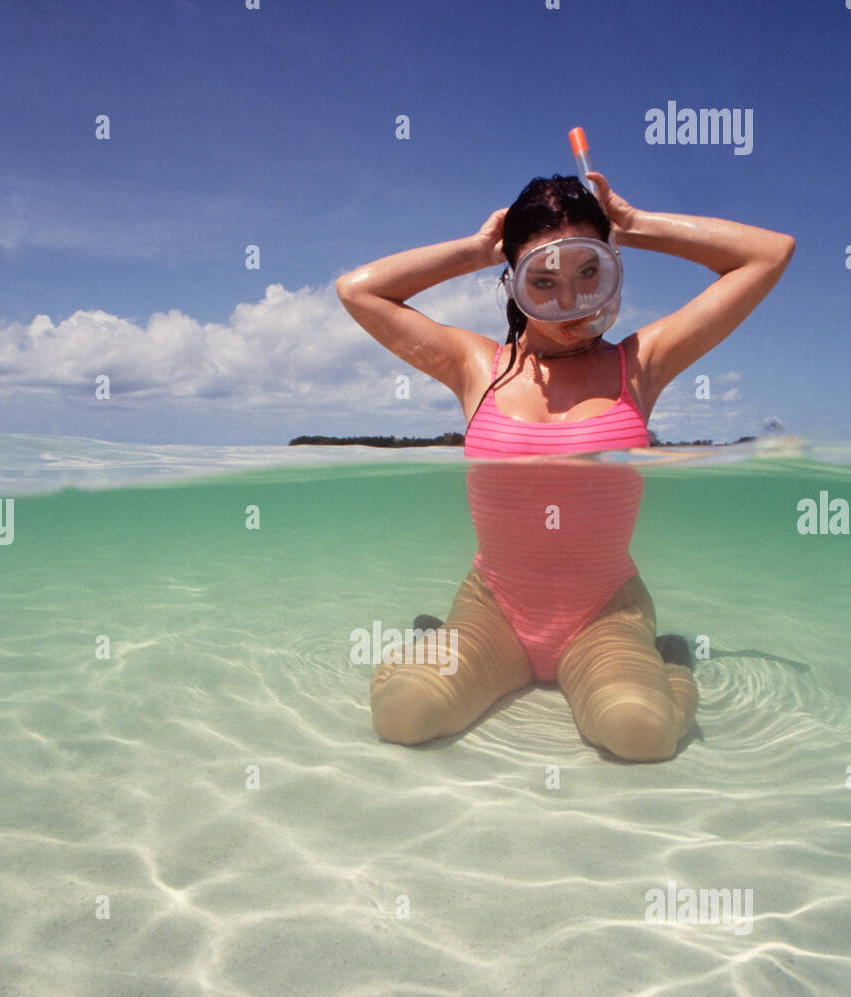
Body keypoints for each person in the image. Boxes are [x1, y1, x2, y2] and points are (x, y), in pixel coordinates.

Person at [336, 172, 794, 760]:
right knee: (403, 715)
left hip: (603, 614)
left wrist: (636, 226)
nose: (571, 302)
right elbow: (357, 291)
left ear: (610, 267)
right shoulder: (476, 366)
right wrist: (479, 248)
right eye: (543, 281)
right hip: (494, 610)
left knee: (642, 734)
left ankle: (671, 662)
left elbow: (769, 254)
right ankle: (441, 643)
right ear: (513, 285)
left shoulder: (640, 364)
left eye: (588, 273)